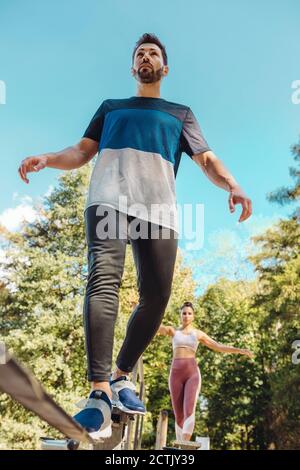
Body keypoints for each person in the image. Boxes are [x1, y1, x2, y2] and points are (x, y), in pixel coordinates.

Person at [18, 33, 252, 439]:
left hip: (158, 208)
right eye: (140, 53)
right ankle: (98, 393)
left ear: (164, 68)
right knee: (103, 281)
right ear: (133, 68)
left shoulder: (180, 113)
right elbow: (81, 150)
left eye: (154, 53)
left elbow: (206, 159)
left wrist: (232, 184)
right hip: (109, 200)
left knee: (158, 297)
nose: (146, 57)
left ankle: (122, 375)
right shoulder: (111, 108)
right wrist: (48, 159)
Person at [157, 301, 254, 442]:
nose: (186, 315)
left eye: (189, 313)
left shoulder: (197, 334)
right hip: (175, 375)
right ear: (180, 315)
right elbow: (156, 327)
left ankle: (184, 444)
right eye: (184, 313)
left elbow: (218, 346)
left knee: (189, 409)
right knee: (178, 415)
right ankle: (180, 445)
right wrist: (139, 310)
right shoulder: (173, 331)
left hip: (192, 374)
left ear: (193, 316)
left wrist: (240, 350)